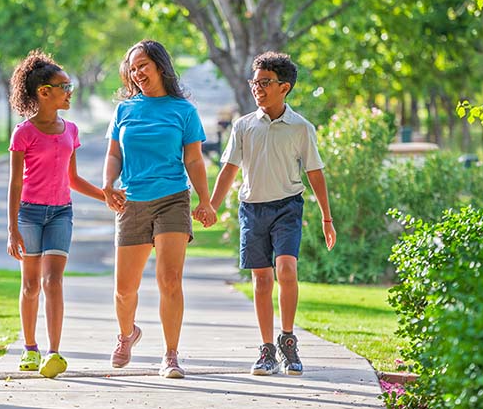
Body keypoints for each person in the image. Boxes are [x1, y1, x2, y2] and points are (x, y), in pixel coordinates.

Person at [208, 51, 337, 376]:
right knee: (262, 279)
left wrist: (326, 217)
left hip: (287, 207)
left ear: (285, 87)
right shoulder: (243, 126)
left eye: (265, 82)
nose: (258, 88)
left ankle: (288, 341)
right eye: (255, 82)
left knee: (287, 270)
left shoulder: (300, 128)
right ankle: (267, 348)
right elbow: (228, 171)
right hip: (252, 209)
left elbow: (315, 173)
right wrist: (210, 204)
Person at [102, 39, 217, 379]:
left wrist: (205, 200)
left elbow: (194, 159)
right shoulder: (125, 110)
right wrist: (108, 184)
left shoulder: (183, 111)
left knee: (170, 280)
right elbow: (113, 154)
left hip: (172, 199)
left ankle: (170, 355)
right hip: (132, 200)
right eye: (133, 68)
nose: (137, 73)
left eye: (143, 66)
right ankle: (127, 335)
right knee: (125, 289)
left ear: (160, 67)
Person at [6, 50, 105, 379]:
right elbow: (15, 183)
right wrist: (12, 229)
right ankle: (30, 348)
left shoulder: (71, 130)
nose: (70, 92)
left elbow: (72, 179)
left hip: (62, 213)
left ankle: (54, 351)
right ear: (43, 92)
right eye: (64, 86)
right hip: (30, 215)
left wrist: (106, 195)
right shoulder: (24, 132)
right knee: (31, 284)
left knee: (53, 281)